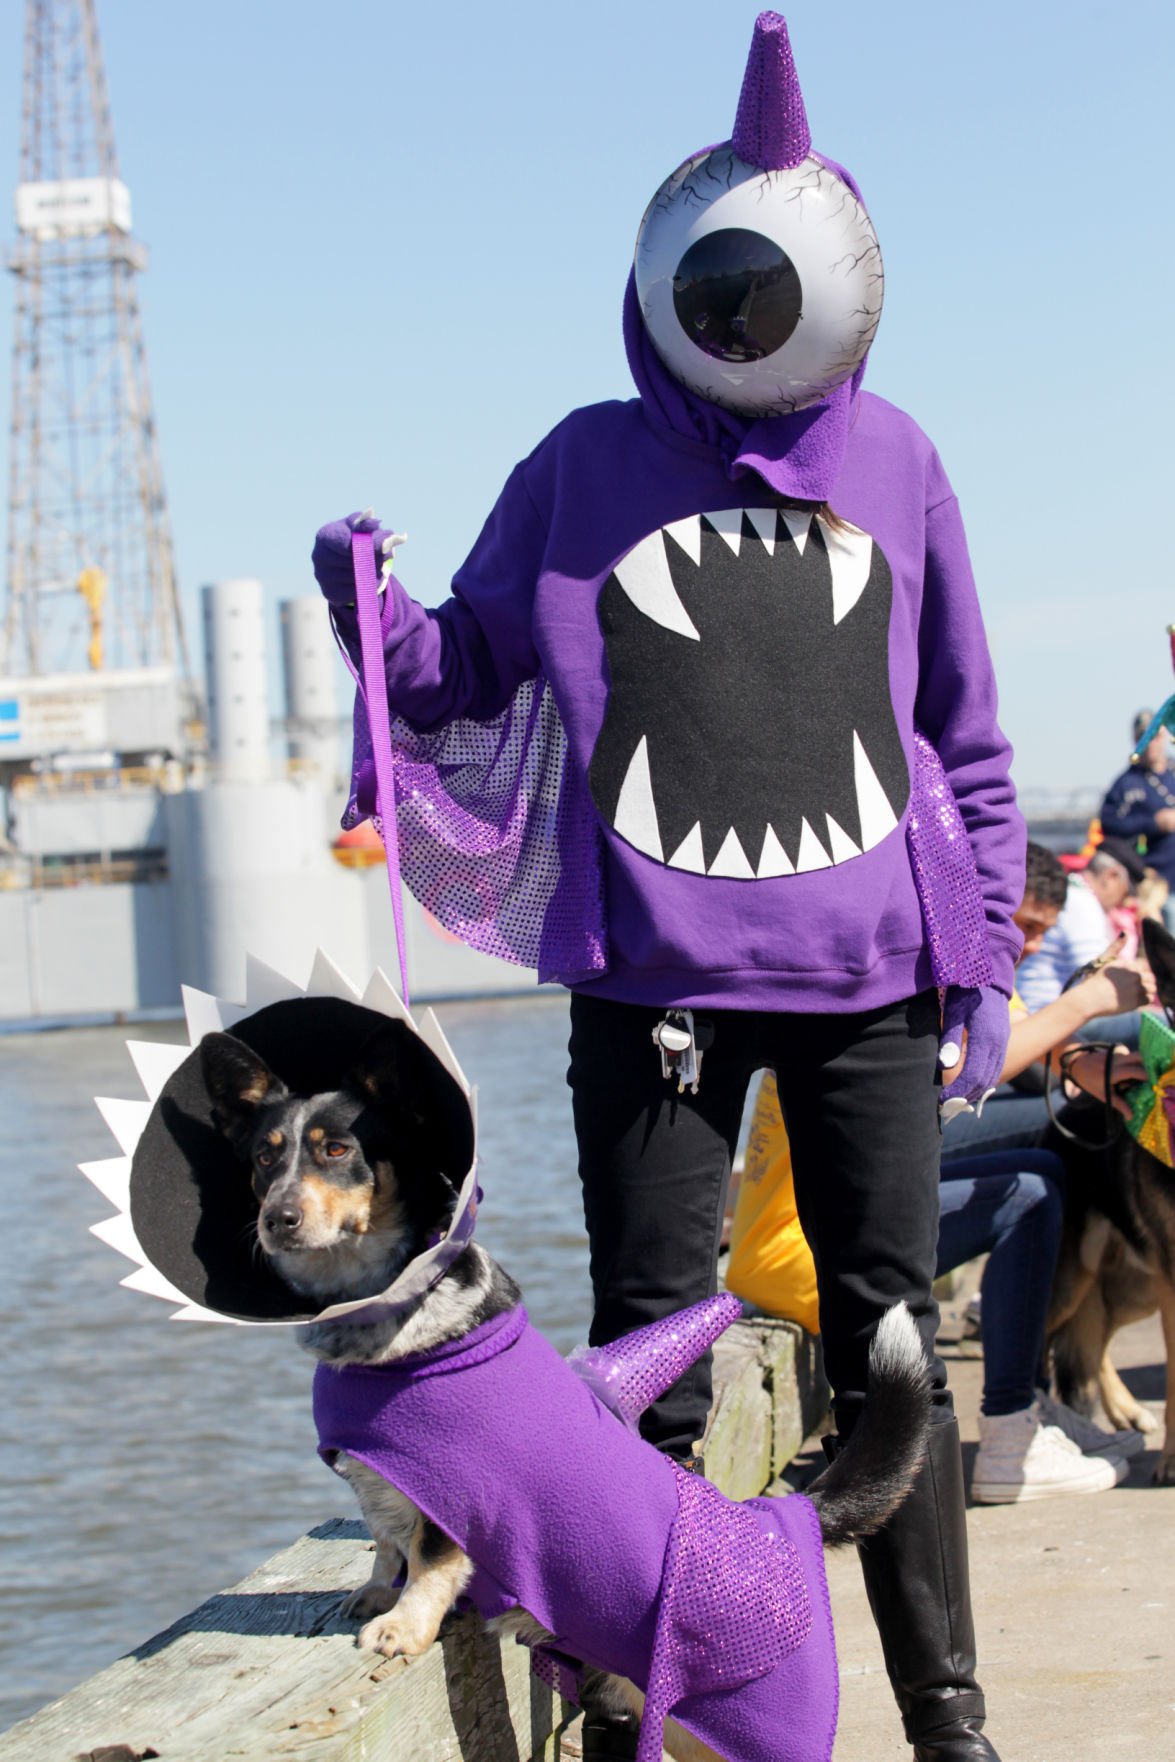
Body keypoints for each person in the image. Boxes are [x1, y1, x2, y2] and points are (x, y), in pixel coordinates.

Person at [315, 18, 1025, 1759]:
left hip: (871, 983)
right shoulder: (577, 461)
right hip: (655, 995)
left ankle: (949, 1716)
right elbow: (459, 671)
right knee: (651, 1349)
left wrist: (986, 967)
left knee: (885, 1340)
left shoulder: (904, 460)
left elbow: (971, 741)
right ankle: (638, 1682)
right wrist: (370, 611)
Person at [727, 1074, 1142, 1504]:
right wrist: (1086, 1008)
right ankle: (1009, 1427)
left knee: (1044, 1170)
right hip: (804, 1257)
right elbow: (965, 1075)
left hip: (782, 1245)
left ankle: (1031, 1400)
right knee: (1030, 1193)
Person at [1100, 713, 1175, 931]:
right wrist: (1154, 823)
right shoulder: (1126, 784)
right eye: (1145, 737)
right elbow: (1109, 826)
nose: (1151, 742)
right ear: (1136, 741)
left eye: (1155, 736)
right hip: (1158, 884)